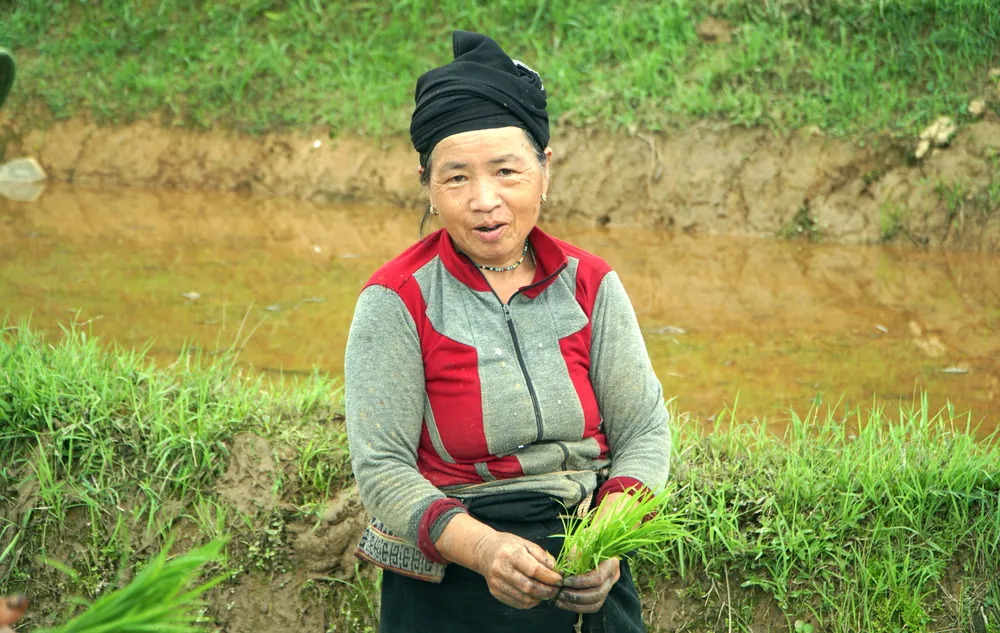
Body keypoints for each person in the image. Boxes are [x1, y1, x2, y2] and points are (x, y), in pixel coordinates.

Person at [344, 31, 671, 632]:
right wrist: (488, 551)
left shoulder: (591, 285)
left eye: (506, 171)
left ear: (545, 169)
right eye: (457, 178)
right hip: (454, 571)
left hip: (585, 558)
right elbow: (383, 467)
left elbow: (644, 430)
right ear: (428, 184)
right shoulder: (395, 300)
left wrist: (606, 542)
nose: (485, 200)